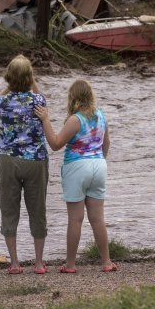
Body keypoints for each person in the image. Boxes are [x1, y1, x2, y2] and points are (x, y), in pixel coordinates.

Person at [34, 79, 116, 273]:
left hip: (77, 167)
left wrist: (45, 120)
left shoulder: (75, 119)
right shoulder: (101, 115)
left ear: (73, 98)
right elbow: (107, 143)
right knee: (98, 218)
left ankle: (70, 264)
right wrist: (99, 160)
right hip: (99, 165)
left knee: (75, 219)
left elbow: (55, 144)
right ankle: (106, 262)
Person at [0, 54, 49, 275]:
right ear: (29, 77)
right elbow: (39, 94)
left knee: (9, 209)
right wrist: (30, 80)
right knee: (37, 209)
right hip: (35, 159)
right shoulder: (38, 101)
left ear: (8, 78)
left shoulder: (1, 102)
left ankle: (14, 263)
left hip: (8, 159)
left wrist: (9, 86)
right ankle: (39, 263)